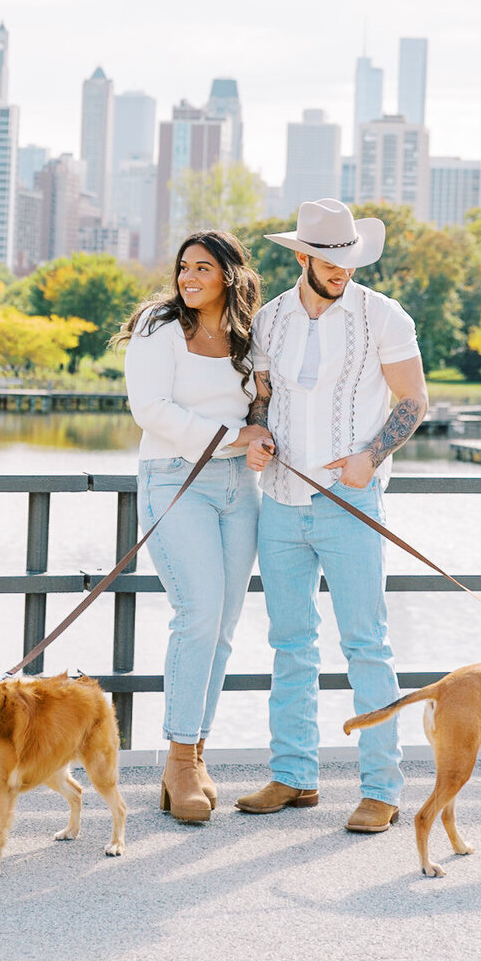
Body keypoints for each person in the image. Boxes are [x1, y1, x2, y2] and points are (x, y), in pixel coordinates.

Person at [236, 198, 427, 833]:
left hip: (351, 504)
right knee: (290, 645)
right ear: (302, 258)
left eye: (347, 258)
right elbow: (261, 399)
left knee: (366, 646)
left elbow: (414, 400)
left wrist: (372, 455)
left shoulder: (384, 316)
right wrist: (258, 435)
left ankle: (382, 789)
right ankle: (294, 776)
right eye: (327, 259)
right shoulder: (269, 320)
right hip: (282, 507)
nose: (340, 269)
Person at [120, 231, 272, 823]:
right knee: (198, 614)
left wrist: (258, 436)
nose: (188, 277)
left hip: (239, 487)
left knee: (226, 626)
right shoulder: (160, 326)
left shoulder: (245, 335)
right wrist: (236, 438)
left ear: (229, 276)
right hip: (174, 478)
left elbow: (257, 405)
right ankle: (178, 761)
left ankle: (198, 753)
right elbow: (150, 409)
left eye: (202, 268)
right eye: (184, 267)